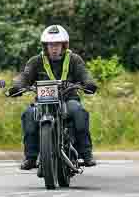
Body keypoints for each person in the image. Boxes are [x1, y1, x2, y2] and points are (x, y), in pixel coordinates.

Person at [8, 25, 98, 170]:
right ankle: (30, 157)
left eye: (57, 44)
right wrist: (17, 86)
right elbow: (25, 76)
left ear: (64, 45)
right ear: (45, 46)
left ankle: (86, 154)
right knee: (28, 114)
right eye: (51, 45)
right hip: (43, 103)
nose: (54, 48)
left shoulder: (74, 59)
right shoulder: (36, 61)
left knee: (79, 112)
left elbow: (84, 73)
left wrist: (89, 83)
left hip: (68, 100)